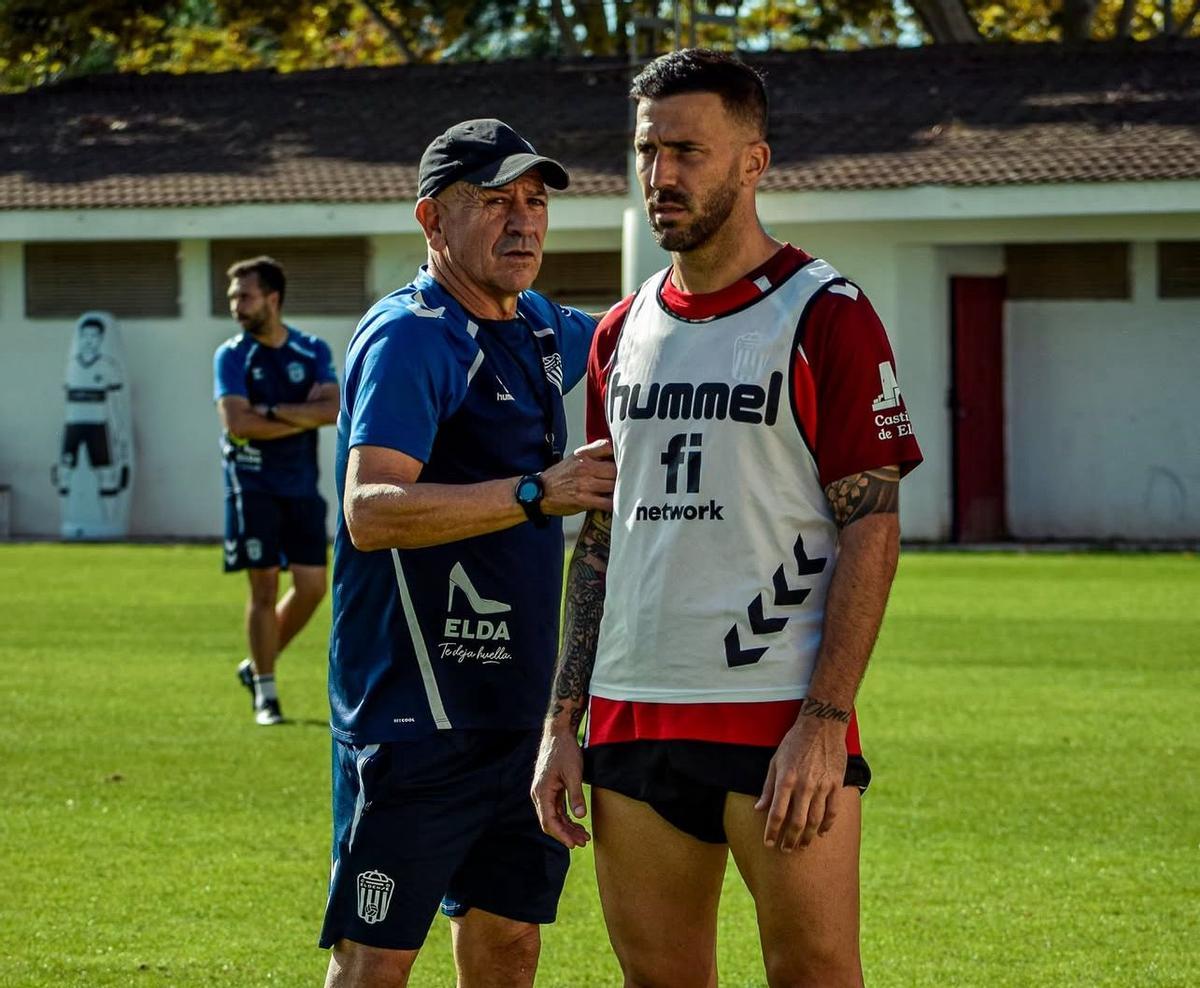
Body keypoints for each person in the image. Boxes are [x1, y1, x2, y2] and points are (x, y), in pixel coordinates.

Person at [532, 49, 924, 988]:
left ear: (754, 162)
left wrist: (825, 720)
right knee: (658, 978)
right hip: (632, 713)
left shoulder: (823, 314)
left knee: (815, 970)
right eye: (646, 151)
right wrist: (562, 719)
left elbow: (873, 525)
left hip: (775, 712)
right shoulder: (618, 333)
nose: (662, 175)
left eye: (688, 152)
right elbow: (601, 534)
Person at [319, 119, 616, 988]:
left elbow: (652, 334)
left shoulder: (543, 329)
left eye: (534, 201)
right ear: (432, 221)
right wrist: (537, 492)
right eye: (493, 202)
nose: (522, 221)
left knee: (510, 944)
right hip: (412, 720)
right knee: (375, 961)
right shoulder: (411, 335)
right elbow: (371, 510)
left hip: (520, 718)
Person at [213, 256, 340, 726]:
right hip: (251, 486)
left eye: (243, 296)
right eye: (232, 297)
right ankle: (266, 694)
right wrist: (293, 413)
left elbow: (333, 410)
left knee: (311, 587)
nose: (235, 306)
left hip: (300, 486)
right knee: (263, 587)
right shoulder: (231, 355)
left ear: (272, 299)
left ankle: (255, 664)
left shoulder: (310, 350)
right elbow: (238, 424)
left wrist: (268, 411)